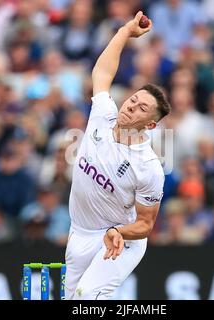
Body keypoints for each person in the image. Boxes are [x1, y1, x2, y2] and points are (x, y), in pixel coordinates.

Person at [64, 11, 170, 300]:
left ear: (150, 124)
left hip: (119, 238)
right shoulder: (104, 114)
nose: (131, 107)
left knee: (88, 298)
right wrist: (125, 31)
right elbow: (101, 73)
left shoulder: (147, 167)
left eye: (141, 109)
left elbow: (146, 225)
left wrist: (117, 231)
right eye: (133, 99)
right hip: (79, 232)